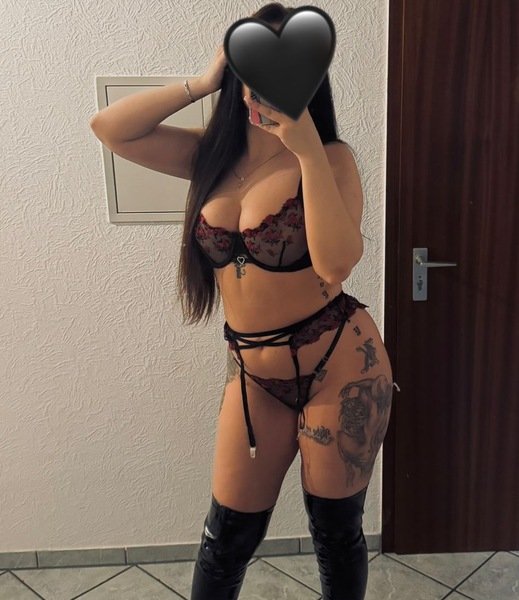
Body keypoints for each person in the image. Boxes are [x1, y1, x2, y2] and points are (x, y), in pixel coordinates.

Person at [89, 3, 397, 598]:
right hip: (254, 373)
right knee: (224, 539)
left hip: (339, 364)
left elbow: (337, 264)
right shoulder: (211, 154)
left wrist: (307, 151)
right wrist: (201, 82)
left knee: (336, 535)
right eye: (254, 64)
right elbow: (110, 129)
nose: (268, 82)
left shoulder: (332, 158)